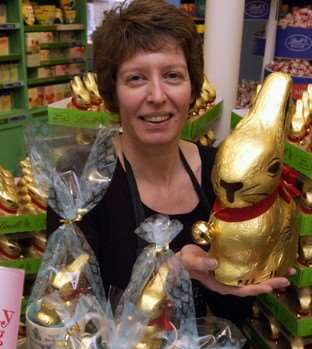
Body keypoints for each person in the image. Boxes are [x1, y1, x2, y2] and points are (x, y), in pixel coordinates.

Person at [47, 0, 292, 325]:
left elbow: (234, 311)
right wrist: (170, 273)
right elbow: (70, 311)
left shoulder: (223, 175)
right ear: (113, 93)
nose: (158, 95)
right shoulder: (80, 180)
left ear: (192, 88)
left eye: (173, 75)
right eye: (136, 79)